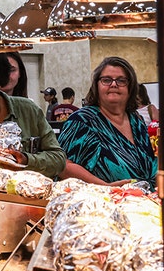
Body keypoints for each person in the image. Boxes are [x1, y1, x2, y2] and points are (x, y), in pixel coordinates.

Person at [58, 56, 156, 185]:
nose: (114, 84)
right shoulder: (82, 120)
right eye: (106, 80)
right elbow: (62, 166)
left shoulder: (137, 121)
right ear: (96, 86)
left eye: (121, 80)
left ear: (130, 87)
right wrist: (105, 187)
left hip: (143, 200)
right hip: (100, 201)